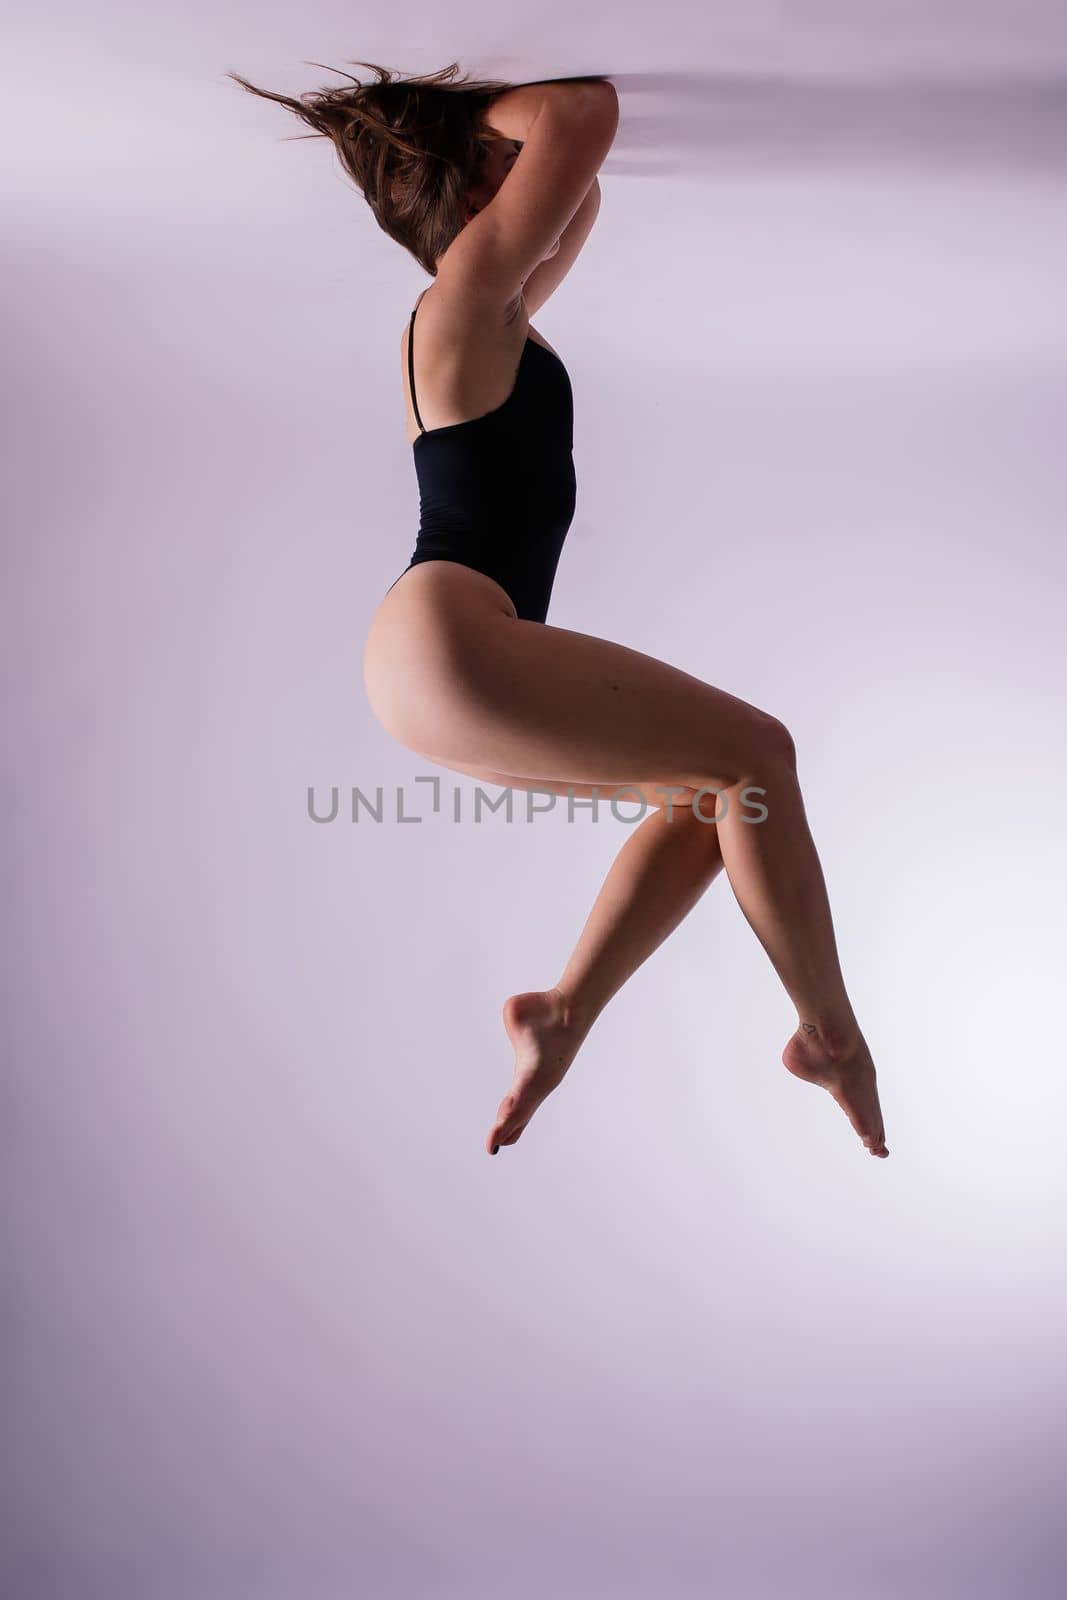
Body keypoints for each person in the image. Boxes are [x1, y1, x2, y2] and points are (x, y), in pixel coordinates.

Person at [229, 60, 889, 1162]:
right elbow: (581, 117)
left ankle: (564, 1011)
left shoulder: (492, 312)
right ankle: (831, 1035)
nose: (526, 165)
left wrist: (473, 147)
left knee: (715, 796)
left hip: (435, 658)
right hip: (451, 640)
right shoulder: (463, 296)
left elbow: (580, 190)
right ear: (475, 180)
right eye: (504, 159)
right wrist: (461, 120)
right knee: (756, 755)